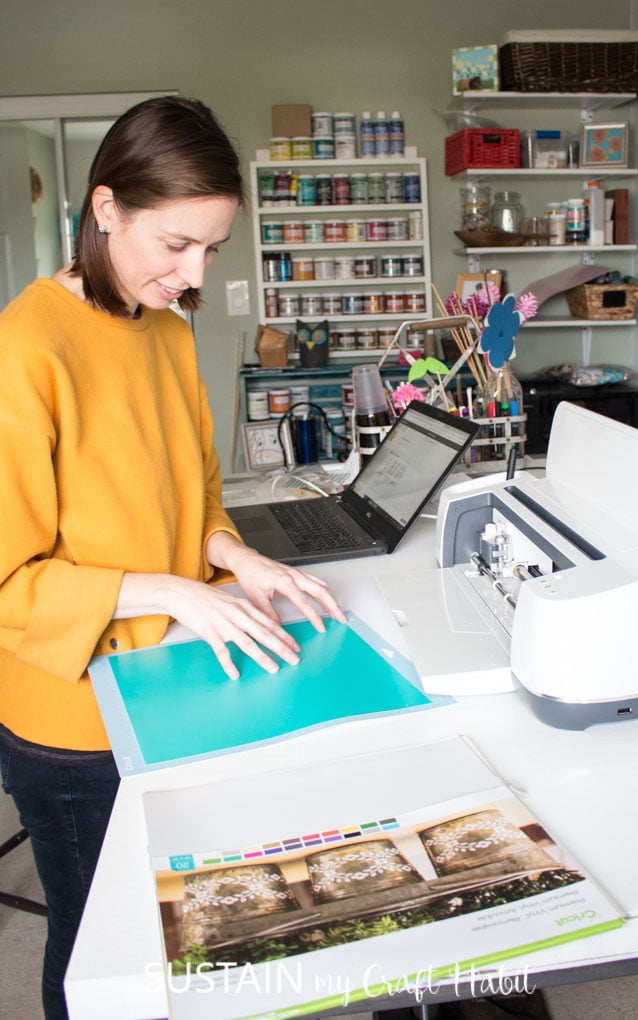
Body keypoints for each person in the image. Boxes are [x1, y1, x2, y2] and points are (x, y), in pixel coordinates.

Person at [0, 95, 346, 1020]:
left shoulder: (169, 331)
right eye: (175, 245)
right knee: (99, 947)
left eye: (211, 251)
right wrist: (163, 589)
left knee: (179, 926)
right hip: (72, 723)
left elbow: (190, 492)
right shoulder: (25, 349)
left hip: (168, 682)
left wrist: (236, 557)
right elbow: (7, 582)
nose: (192, 274)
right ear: (106, 207)